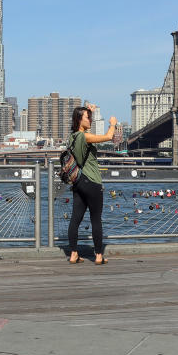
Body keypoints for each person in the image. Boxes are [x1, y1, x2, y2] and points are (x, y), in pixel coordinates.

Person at [67, 103, 117, 266]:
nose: (90, 120)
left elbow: (85, 129)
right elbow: (108, 137)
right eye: (88, 118)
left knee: (75, 219)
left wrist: (90, 111)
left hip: (78, 181)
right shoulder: (85, 137)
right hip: (92, 181)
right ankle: (98, 255)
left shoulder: (73, 137)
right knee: (96, 219)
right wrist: (112, 124)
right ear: (80, 120)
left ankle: (74, 254)